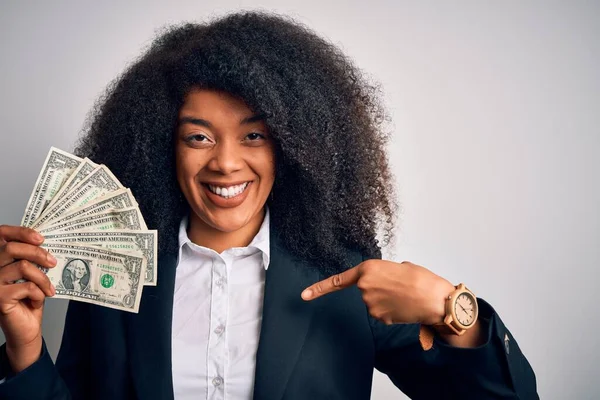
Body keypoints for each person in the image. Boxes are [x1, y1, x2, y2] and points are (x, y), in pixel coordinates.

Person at [0, 11, 538, 400]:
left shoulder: (346, 273)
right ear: (162, 143)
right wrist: (24, 349)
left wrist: (451, 307)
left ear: (292, 145)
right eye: (199, 138)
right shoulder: (115, 275)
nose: (226, 164)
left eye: (253, 136)